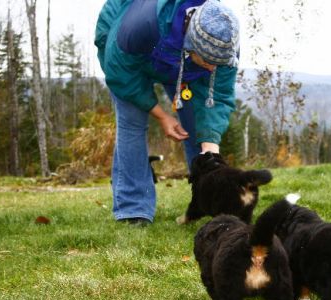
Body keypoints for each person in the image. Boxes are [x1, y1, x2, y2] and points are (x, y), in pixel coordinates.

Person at [95, 0, 239, 224]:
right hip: (129, 53)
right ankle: (133, 210)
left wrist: (210, 148)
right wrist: (162, 116)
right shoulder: (138, 28)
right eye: (209, 61)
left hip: (180, 61)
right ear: (190, 44)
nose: (213, 68)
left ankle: (205, 201)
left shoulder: (224, 37)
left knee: (196, 129)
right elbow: (121, 76)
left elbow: (217, 96)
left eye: (218, 63)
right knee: (132, 122)